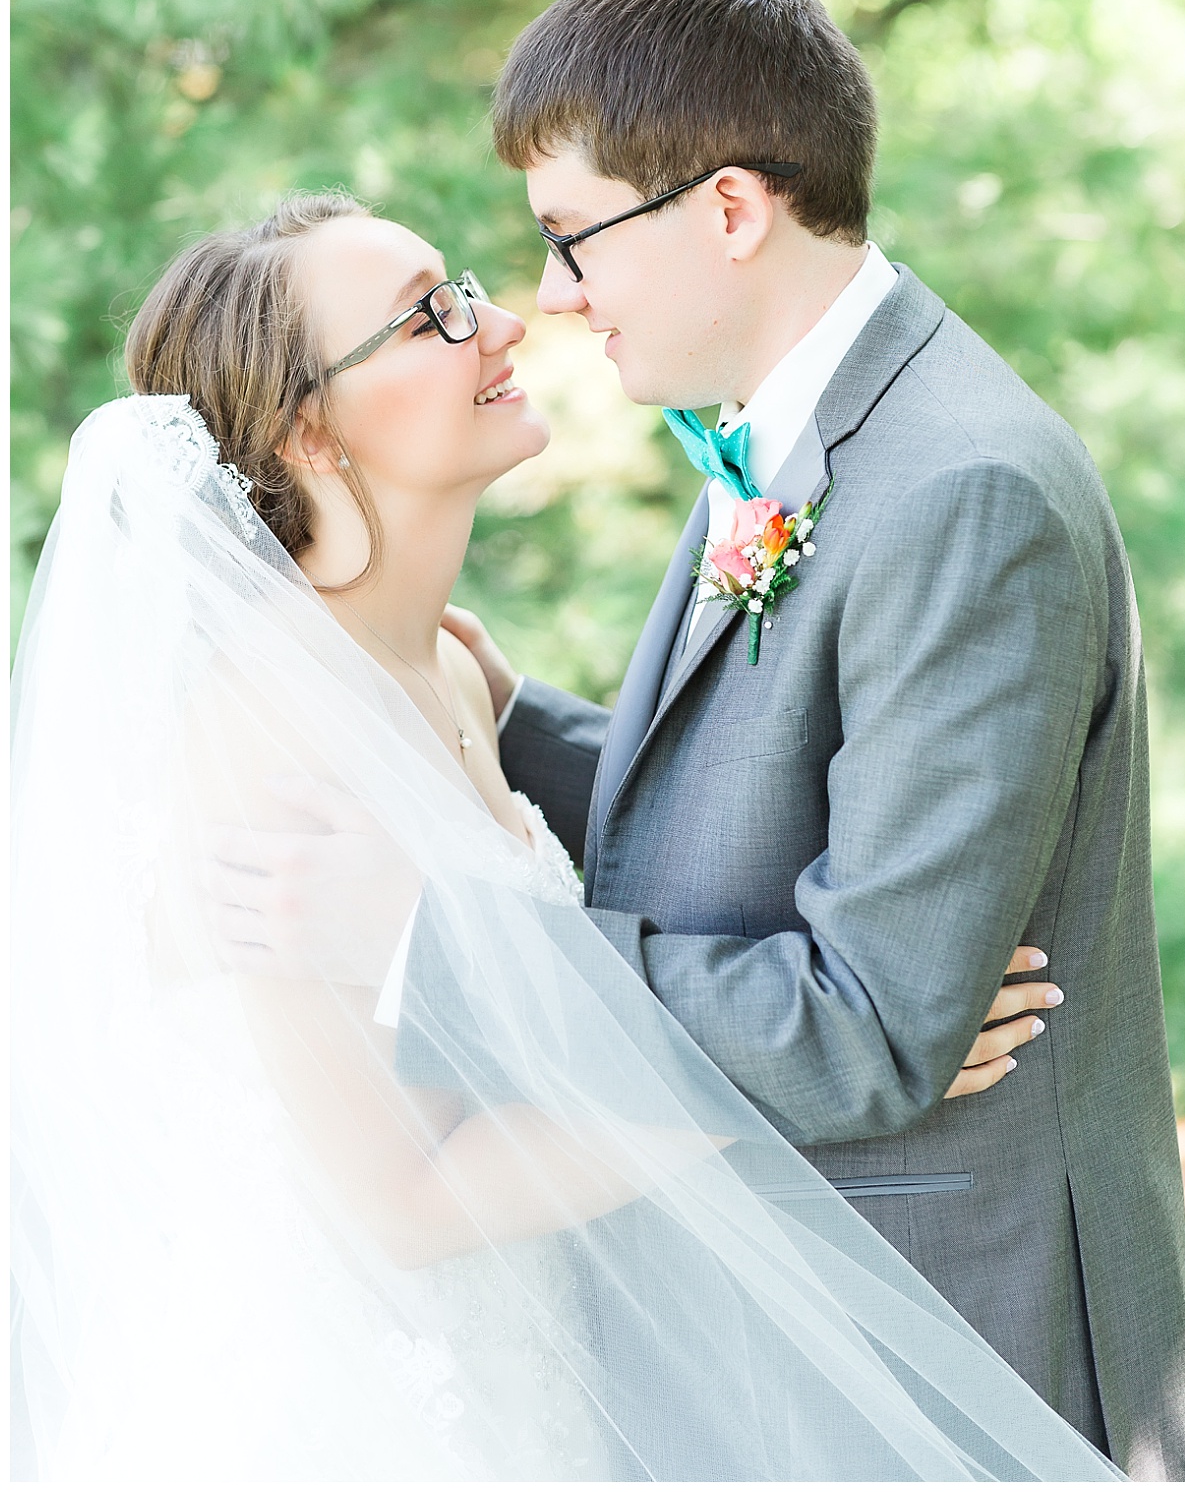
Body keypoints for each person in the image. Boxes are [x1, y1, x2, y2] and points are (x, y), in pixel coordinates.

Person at [11, 193, 1122, 1482]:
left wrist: (876, 986)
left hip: (535, 1363)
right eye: (427, 317)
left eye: (460, 288)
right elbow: (405, 1196)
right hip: (358, 1410)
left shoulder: (446, 670)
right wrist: (813, 1068)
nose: (499, 321)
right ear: (311, 428)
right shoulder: (266, 725)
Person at [437, 0, 1183, 1480]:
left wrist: (452, 952)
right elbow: (765, 793)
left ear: (727, 208)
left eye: (573, 236)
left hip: (955, 1332)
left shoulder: (962, 487)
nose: (553, 295)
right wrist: (515, 727)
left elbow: (870, 1027)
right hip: (821, 1324)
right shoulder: (805, 426)